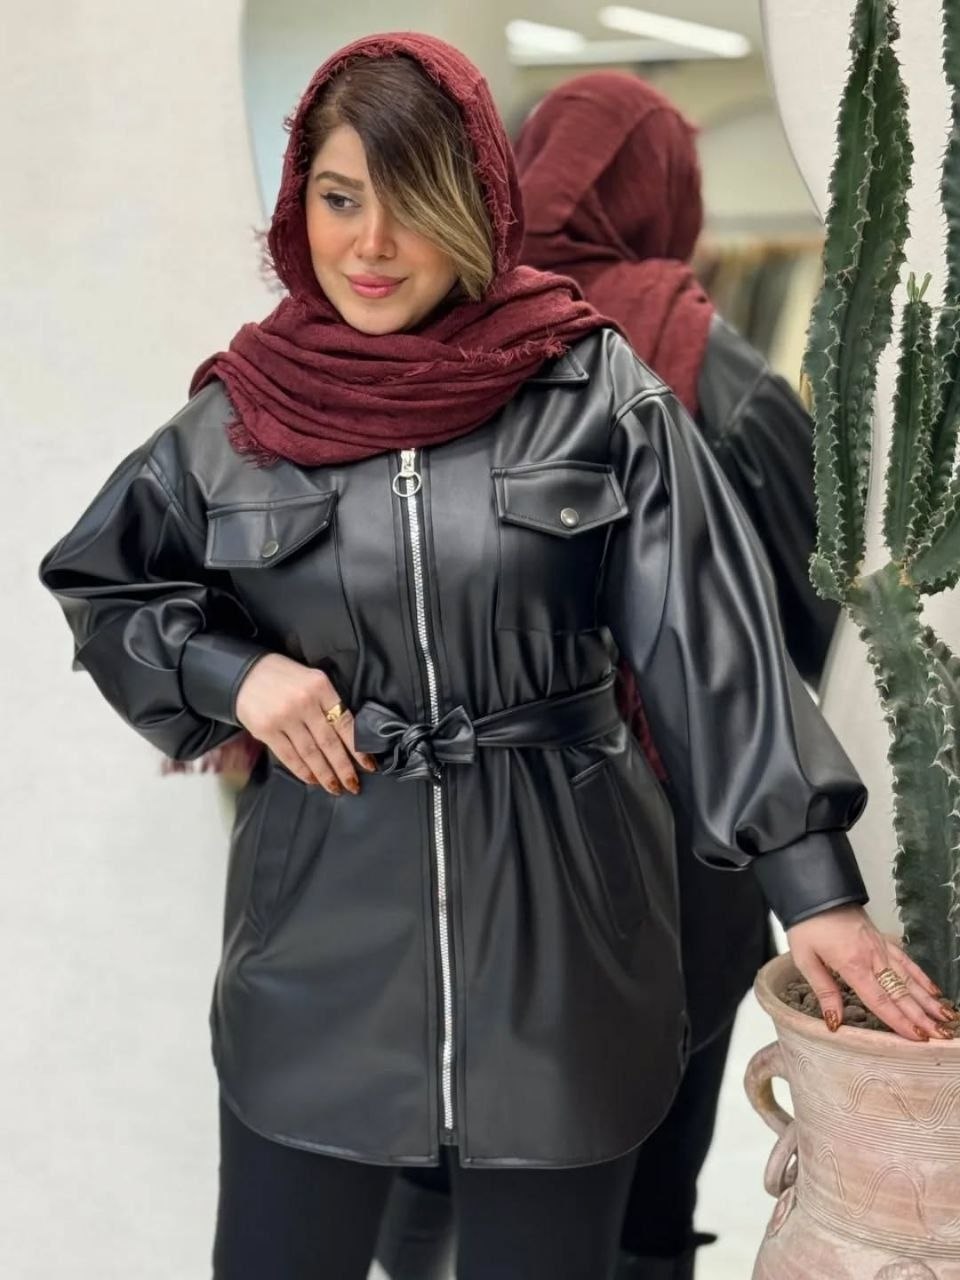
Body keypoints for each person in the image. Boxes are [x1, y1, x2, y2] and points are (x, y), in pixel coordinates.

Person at [39, 33, 951, 1280]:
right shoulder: (243, 416)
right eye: (339, 199)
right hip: (314, 940)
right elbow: (104, 582)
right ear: (299, 203)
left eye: (412, 203)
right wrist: (234, 674)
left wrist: (816, 890)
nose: (370, 245)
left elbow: (712, 643)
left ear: (477, 205)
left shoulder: (595, 392)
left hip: (568, 944)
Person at [375, 70, 852, 1280]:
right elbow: (814, 615)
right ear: (661, 192)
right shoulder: (707, 361)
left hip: (456, 823)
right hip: (670, 841)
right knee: (647, 1153)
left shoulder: (425, 345)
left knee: (435, 1125)